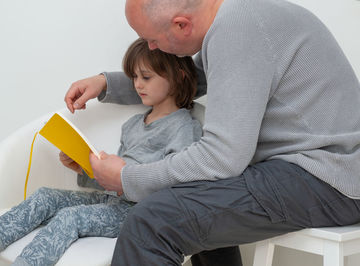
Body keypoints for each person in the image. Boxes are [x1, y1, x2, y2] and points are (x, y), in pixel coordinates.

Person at [62, 0, 360, 265]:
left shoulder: (237, 28)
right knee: (191, 202)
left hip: (328, 177)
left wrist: (127, 179)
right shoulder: (241, 15)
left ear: (181, 25)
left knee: (153, 220)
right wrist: (106, 84)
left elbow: (221, 159)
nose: (151, 48)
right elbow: (188, 81)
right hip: (320, 171)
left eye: (152, 40)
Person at [0, 38, 202, 266]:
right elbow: (114, 184)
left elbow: (179, 186)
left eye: (146, 77)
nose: (137, 84)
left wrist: (127, 176)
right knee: (45, 197)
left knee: (70, 217)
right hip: (112, 202)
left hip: (139, 212)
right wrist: (87, 171)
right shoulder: (133, 125)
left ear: (178, 77)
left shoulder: (182, 127)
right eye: (135, 77)